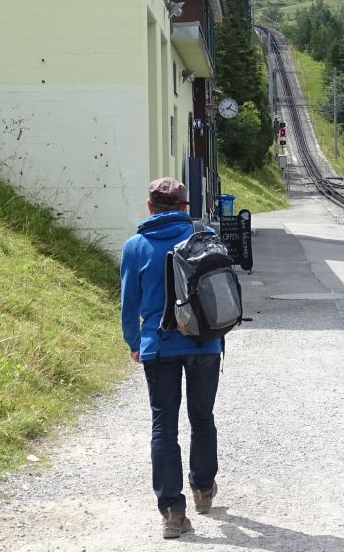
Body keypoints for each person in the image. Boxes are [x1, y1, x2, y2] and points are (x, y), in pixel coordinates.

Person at [120, 177, 222, 539]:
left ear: (150, 208)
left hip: (159, 346)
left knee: (164, 426)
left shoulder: (135, 246)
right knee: (202, 417)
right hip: (205, 344)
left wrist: (134, 341)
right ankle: (203, 490)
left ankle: (172, 513)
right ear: (183, 208)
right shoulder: (205, 235)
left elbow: (128, 305)